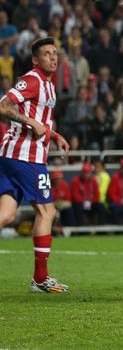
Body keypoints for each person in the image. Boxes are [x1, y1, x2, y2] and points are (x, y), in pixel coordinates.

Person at [0, 37, 70, 293]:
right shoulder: (32, 80)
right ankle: (40, 279)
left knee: (6, 215)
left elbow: (40, 120)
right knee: (47, 212)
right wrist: (30, 122)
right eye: (46, 54)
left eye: (54, 53)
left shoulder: (49, 85)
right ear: (35, 60)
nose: (52, 57)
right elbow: (3, 106)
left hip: (12, 156)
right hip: (25, 157)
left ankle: (40, 278)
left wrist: (55, 135)